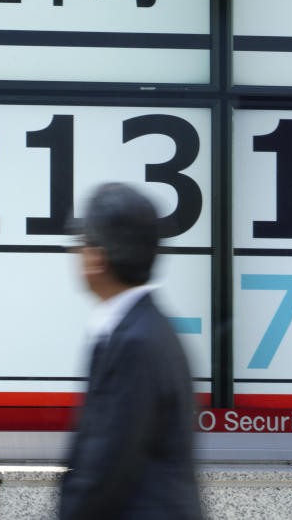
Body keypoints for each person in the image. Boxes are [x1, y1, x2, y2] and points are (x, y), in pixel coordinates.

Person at [60, 182, 203, 520]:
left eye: (81, 244)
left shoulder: (135, 342)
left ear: (98, 258)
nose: (76, 253)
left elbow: (106, 464)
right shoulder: (147, 329)